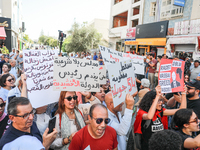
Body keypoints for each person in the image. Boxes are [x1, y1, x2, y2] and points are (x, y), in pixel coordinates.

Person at [134, 85, 187, 150]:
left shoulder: (160, 111)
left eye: (161, 100)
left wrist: (184, 93)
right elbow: (149, 116)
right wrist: (157, 96)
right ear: (150, 102)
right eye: (158, 101)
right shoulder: (141, 113)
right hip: (147, 147)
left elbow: (182, 110)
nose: (161, 103)